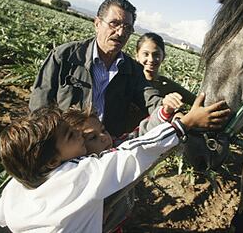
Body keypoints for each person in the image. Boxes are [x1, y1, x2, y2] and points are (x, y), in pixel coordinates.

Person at [0, 93, 230, 233]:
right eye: (71, 135)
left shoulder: (17, 186)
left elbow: (1, 217)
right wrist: (185, 123)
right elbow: (132, 152)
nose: (79, 137)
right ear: (54, 160)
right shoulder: (81, 174)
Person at [28, 0, 163, 137]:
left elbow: (150, 99)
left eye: (127, 28)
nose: (121, 33)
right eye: (114, 24)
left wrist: (167, 109)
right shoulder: (64, 56)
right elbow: (40, 107)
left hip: (105, 149)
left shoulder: (133, 70)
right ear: (97, 24)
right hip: (66, 146)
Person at [63, 94, 179, 233]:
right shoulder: (86, 178)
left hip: (116, 223)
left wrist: (164, 113)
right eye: (92, 137)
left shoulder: (116, 149)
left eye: (103, 130)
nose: (104, 138)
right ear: (78, 148)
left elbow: (140, 137)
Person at [135, 32, 196, 105]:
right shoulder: (129, 80)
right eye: (146, 54)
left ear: (163, 57)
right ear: (137, 56)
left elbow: (195, 100)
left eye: (156, 54)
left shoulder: (168, 86)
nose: (151, 59)